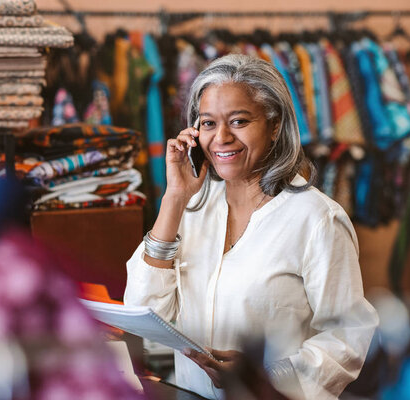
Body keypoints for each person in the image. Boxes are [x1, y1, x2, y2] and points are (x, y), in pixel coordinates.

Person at [124, 54, 378, 400]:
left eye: (239, 121)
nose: (221, 138)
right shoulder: (192, 208)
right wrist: (173, 198)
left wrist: (265, 376)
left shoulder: (317, 219)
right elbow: (144, 311)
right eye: (208, 124)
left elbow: (348, 338)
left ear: (274, 125)